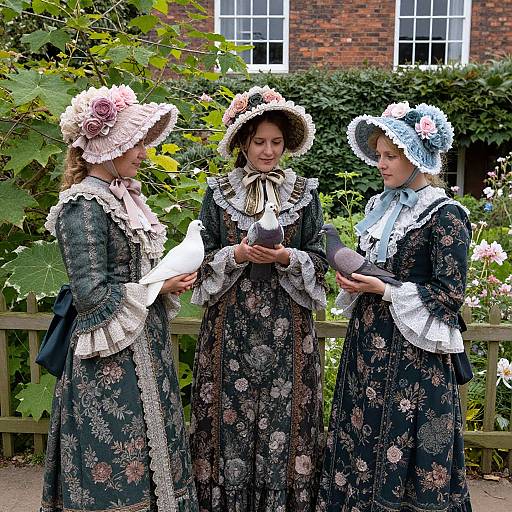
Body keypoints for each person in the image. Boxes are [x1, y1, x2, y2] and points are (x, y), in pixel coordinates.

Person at [41, 84, 199, 512]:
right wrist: (156, 287)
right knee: (115, 451)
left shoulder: (123, 197)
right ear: (109, 146)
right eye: (135, 143)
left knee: (154, 451)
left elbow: (131, 274)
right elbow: (90, 294)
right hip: (108, 358)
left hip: (145, 345)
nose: (143, 152)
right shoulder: (83, 205)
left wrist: (164, 280)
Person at [317, 102, 473, 511]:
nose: (382, 165)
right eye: (380, 156)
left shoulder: (445, 215)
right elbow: (377, 269)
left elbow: (450, 293)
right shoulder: (379, 207)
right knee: (364, 431)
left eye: (391, 156)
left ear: (416, 156)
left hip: (414, 358)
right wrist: (354, 280)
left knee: (406, 439)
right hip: (368, 346)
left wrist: (384, 290)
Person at [190, 86, 328, 511]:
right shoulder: (217, 193)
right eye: (260, 142)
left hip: (289, 329)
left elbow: (321, 259)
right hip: (230, 327)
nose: (269, 152)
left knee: (287, 418)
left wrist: (288, 256)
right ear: (243, 143)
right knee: (228, 418)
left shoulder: (304, 193)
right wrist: (237, 254)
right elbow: (200, 257)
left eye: (277, 143)